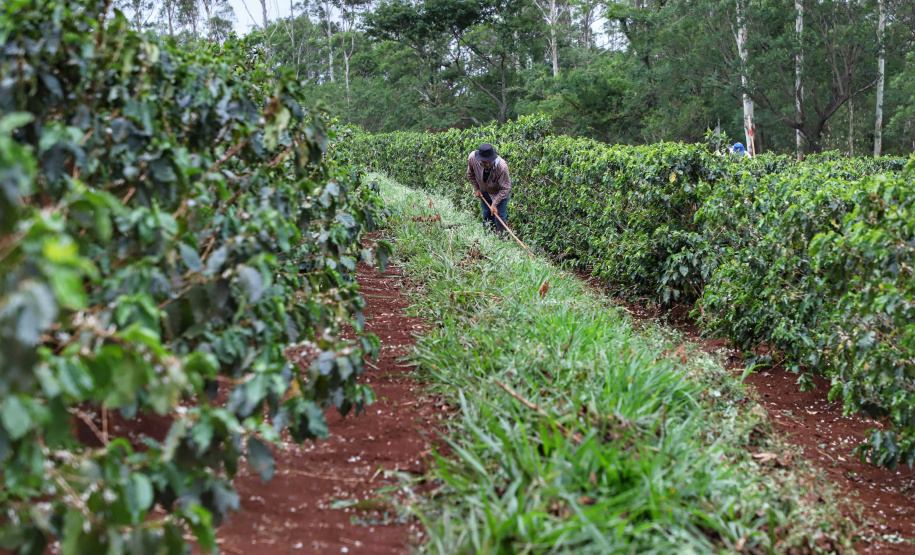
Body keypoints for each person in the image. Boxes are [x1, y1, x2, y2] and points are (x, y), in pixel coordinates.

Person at [466, 143, 511, 233]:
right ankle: (489, 238)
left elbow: (505, 188)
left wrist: (494, 204)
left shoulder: (502, 167)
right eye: (484, 161)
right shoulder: (472, 158)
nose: (487, 164)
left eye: (489, 161)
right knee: (487, 216)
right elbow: (470, 174)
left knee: (500, 219)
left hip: (499, 194)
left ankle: (502, 241)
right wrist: (476, 188)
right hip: (485, 191)